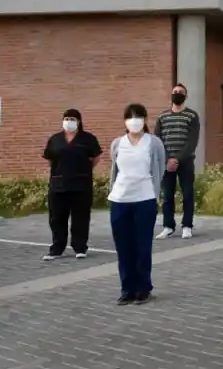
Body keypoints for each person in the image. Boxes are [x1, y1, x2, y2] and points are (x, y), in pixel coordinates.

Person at [108, 104, 166, 305]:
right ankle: (127, 289)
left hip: (144, 199)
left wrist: (155, 194)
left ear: (145, 119)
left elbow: (160, 168)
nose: (134, 120)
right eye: (130, 117)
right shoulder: (117, 143)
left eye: (138, 116)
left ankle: (143, 288)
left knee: (142, 245)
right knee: (123, 247)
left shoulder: (154, 142)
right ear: (124, 121)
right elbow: (114, 171)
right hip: (120, 200)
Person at [42, 109, 102, 261]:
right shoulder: (55, 139)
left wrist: (83, 170)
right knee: (57, 217)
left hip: (81, 184)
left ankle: (80, 246)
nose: (69, 121)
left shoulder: (87, 139)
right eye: (67, 118)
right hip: (58, 184)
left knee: (80, 217)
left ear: (79, 121)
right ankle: (57, 248)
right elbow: (50, 159)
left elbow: (95, 157)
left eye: (72, 119)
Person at [154, 83, 200, 240]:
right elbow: (157, 140)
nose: (177, 94)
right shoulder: (162, 117)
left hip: (186, 161)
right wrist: (167, 160)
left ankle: (187, 226)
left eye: (181, 92)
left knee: (188, 193)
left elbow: (193, 141)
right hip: (167, 163)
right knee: (167, 194)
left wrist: (178, 159)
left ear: (185, 97)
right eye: (175, 92)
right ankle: (168, 226)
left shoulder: (192, 116)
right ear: (171, 95)